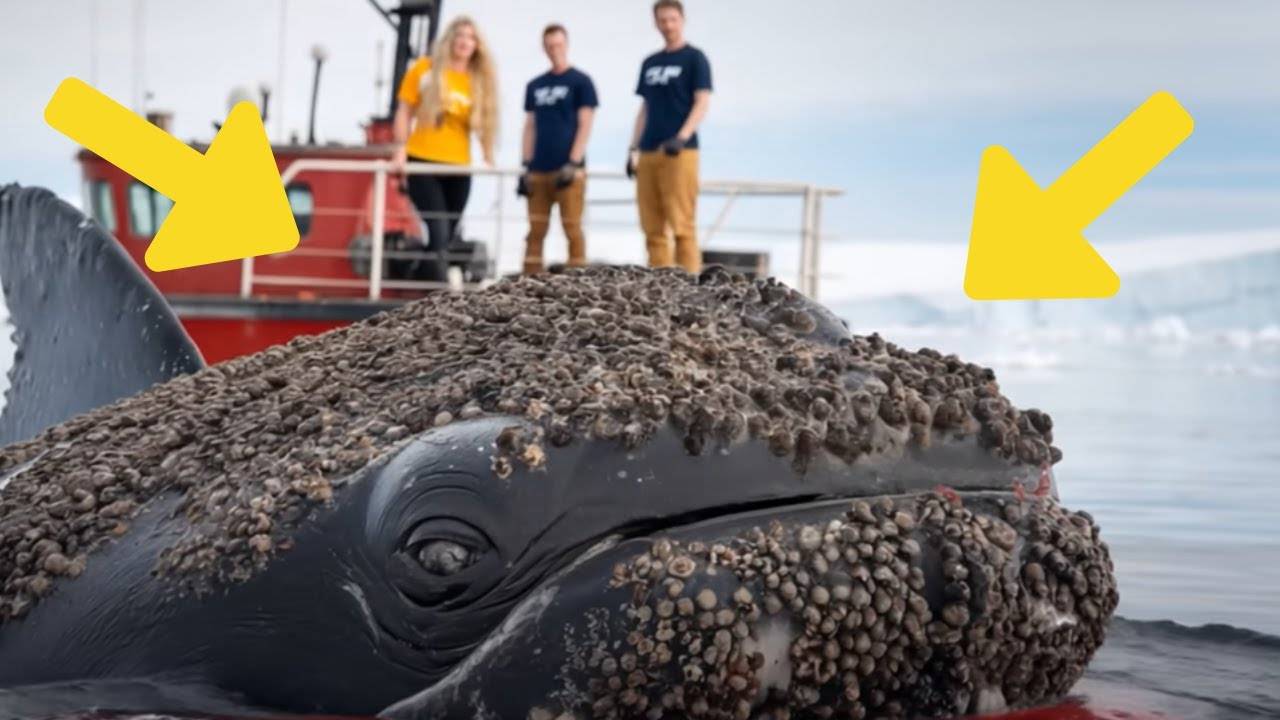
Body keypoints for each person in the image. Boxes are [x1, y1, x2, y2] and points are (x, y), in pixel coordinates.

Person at [391, 16, 498, 282]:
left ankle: (416, 275)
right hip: (424, 160)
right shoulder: (425, 69)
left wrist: (487, 154)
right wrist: (400, 149)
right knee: (438, 228)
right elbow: (404, 110)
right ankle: (434, 291)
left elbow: (485, 120)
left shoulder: (477, 80)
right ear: (450, 39)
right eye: (460, 35)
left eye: (471, 37)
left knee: (448, 233)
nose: (464, 41)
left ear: (477, 45)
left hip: (458, 165)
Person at [627, 0, 712, 274]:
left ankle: (691, 286)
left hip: (680, 152)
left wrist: (682, 136)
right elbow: (644, 108)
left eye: (672, 19)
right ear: (656, 23)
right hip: (649, 150)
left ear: (682, 20)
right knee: (652, 227)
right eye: (662, 20)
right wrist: (633, 149)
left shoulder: (694, 58)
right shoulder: (650, 63)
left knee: (682, 226)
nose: (667, 25)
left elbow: (702, 101)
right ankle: (659, 285)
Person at [517, 24, 599, 275]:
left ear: (567, 44)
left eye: (559, 44)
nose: (555, 50)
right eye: (550, 45)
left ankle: (578, 280)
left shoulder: (581, 82)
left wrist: (574, 162)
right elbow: (530, 126)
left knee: (572, 227)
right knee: (535, 229)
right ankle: (529, 281)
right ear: (544, 48)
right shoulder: (535, 85)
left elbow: (586, 123)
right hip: (539, 168)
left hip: (568, 169)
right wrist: (526, 166)